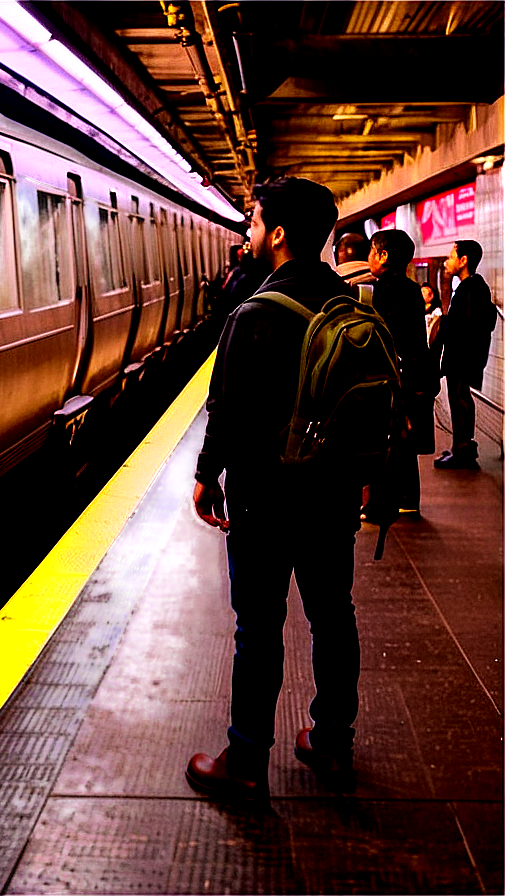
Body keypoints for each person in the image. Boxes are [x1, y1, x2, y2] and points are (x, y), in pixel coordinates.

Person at [186, 177, 362, 801]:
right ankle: (332, 741)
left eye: (254, 221)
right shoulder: (350, 309)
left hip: (265, 500)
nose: (248, 232)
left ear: (279, 233)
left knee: (259, 628)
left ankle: (246, 761)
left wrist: (208, 477)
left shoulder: (253, 314)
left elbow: (225, 411)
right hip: (333, 496)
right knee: (332, 615)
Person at [364, 230, 435, 515]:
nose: (368, 257)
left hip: (403, 374)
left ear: (383, 256)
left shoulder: (391, 290)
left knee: (394, 438)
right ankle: (405, 500)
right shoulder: (404, 287)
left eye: (372, 251)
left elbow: (385, 335)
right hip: (412, 372)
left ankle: (389, 501)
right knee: (401, 440)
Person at [435, 240, 497, 469]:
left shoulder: (471, 288)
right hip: (462, 356)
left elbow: (468, 326)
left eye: (451, 256)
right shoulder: (469, 287)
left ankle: (462, 449)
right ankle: (461, 446)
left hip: (462, 357)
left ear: (463, 261)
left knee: (459, 399)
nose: (446, 261)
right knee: (460, 399)